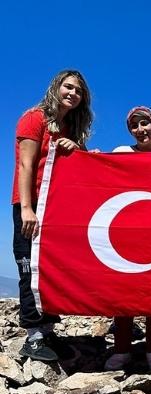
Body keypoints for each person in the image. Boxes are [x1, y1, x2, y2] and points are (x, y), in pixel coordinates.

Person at [13, 69, 93, 361]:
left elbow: (75, 166)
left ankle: (47, 331)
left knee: (50, 267)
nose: (72, 93)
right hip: (31, 205)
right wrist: (26, 208)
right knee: (28, 266)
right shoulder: (34, 118)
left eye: (78, 91)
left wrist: (77, 149)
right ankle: (32, 337)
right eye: (67, 87)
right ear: (56, 87)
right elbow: (26, 165)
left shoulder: (68, 128)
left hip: (56, 209)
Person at [104, 106, 151, 371]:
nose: (140, 130)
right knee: (124, 292)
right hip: (125, 234)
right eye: (134, 126)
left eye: (145, 124)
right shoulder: (120, 153)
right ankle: (122, 350)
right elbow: (101, 178)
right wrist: (92, 159)